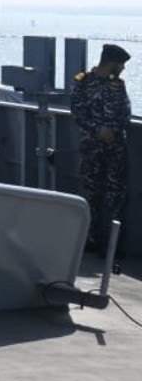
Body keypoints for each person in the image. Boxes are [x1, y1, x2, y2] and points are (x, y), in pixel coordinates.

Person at [72, 44, 131, 255]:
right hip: (92, 149)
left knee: (117, 197)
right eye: (120, 64)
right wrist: (98, 130)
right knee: (91, 195)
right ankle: (91, 239)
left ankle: (115, 245)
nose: (122, 68)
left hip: (115, 149)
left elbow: (125, 112)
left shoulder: (118, 85)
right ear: (111, 63)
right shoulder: (83, 82)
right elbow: (77, 112)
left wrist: (112, 131)